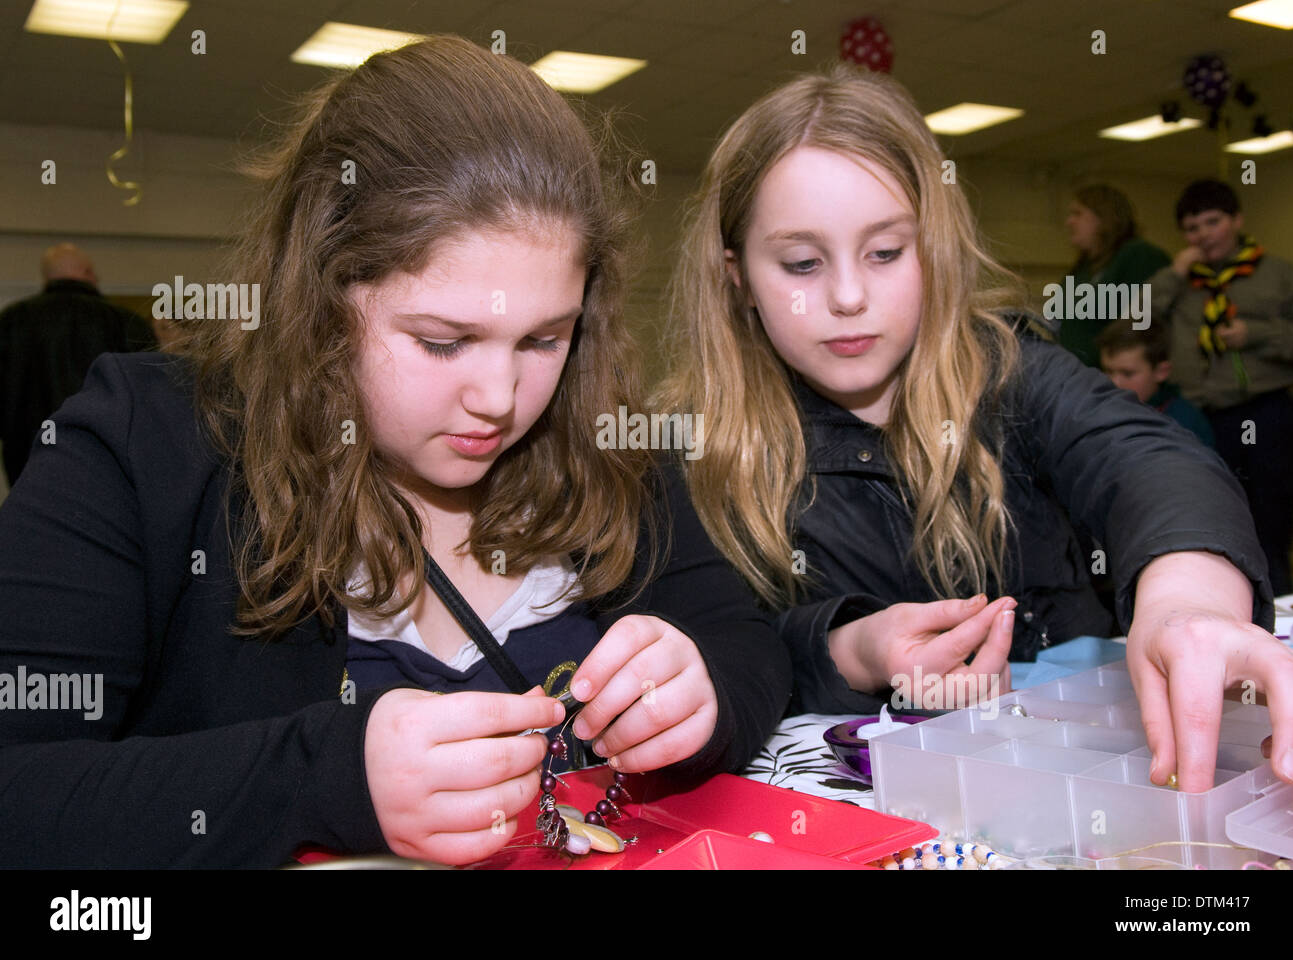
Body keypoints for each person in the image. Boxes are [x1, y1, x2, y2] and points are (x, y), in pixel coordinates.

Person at [0, 35, 790, 868]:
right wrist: (323, 776)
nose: (500, 397)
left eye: (543, 339)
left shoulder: (601, 440)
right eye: (445, 341)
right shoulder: (143, 441)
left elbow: (747, 646)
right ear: (323, 295)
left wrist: (701, 690)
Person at [656, 64, 1293, 794]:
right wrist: (850, 648)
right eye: (802, 263)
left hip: (1074, 776)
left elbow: (1148, 461)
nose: (847, 296)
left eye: (886, 252)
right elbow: (717, 652)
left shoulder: (1012, 372)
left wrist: (1186, 604)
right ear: (737, 275)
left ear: (933, 248)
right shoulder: (695, 454)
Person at [1150, 179, 1293, 597]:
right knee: (1214, 522)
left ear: (1237, 220)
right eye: (1193, 228)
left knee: (1271, 522)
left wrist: (1258, 333)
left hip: (1265, 413)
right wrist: (1173, 275)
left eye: (1213, 222)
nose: (1204, 235)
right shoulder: (1181, 285)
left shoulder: (1279, 275)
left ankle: (1283, 611)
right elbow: (1135, 323)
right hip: (1202, 417)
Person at [0, 243, 156, 485]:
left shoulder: (11, 322)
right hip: (105, 458)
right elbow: (150, 396)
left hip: (28, 454)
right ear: (86, 273)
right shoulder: (122, 322)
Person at [1058, 184, 1170, 369]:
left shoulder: (1138, 256)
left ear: (1103, 218)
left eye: (1077, 214)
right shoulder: (1083, 268)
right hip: (1074, 378)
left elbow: (1144, 324)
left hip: (1115, 380)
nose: (1069, 222)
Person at [1097, 319, 1215, 448]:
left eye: (1127, 373)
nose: (1114, 383)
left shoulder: (1185, 425)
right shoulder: (1098, 412)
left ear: (1161, 372)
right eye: (1108, 371)